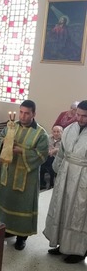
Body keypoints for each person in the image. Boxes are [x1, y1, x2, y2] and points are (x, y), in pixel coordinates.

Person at [0, 100, 49, 250]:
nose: (23, 116)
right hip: (9, 172)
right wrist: (5, 143)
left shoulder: (41, 133)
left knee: (23, 205)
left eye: (27, 113)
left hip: (27, 177)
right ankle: (7, 230)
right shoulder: (11, 126)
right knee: (7, 201)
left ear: (33, 114)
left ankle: (22, 237)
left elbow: (42, 155)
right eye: (21, 112)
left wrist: (21, 151)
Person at [44, 100, 87, 264]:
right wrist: (58, 170)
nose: (80, 119)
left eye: (84, 116)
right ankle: (61, 244)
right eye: (78, 115)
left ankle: (78, 250)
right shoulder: (69, 129)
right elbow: (61, 153)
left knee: (78, 214)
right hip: (66, 174)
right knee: (62, 208)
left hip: (84, 179)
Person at [40, 125, 63, 190]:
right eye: (54, 131)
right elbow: (43, 146)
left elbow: (65, 150)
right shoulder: (48, 138)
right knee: (41, 163)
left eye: (58, 132)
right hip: (47, 157)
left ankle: (51, 183)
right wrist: (48, 151)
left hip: (58, 159)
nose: (56, 133)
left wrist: (56, 150)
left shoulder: (64, 140)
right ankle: (42, 183)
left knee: (51, 163)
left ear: (62, 132)